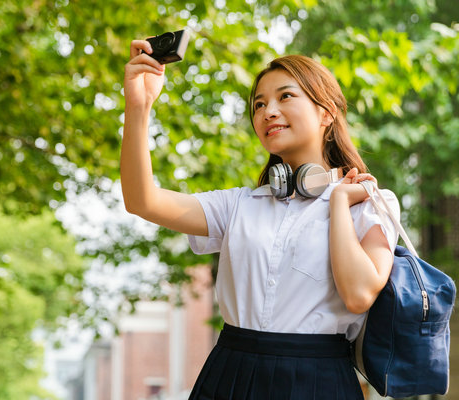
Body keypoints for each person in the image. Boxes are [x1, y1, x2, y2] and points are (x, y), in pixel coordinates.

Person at [121, 39, 399, 399]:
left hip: (318, 380)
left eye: (285, 97)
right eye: (259, 104)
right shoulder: (239, 205)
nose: (268, 111)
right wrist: (138, 106)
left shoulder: (370, 202)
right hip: (231, 375)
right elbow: (142, 201)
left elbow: (359, 295)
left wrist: (338, 203)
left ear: (326, 112)